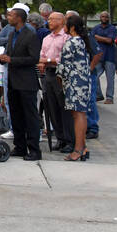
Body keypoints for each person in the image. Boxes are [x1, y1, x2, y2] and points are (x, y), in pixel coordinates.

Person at [0, 2, 43, 161]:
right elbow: (10, 53)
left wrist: (12, 59)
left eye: (10, 15)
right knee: (16, 115)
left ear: (19, 18)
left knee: (30, 117)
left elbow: (34, 58)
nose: (8, 17)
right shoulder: (11, 35)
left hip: (26, 82)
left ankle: (34, 149)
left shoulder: (30, 35)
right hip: (13, 81)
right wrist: (4, 59)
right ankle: (20, 146)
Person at [59, 13, 93, 162]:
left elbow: (64, 65)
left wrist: (60, 80)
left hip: (75, 83)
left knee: (78, 115)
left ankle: (78, 149)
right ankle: (83, 147)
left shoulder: (72, 42)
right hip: (83, 81)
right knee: (80, 114)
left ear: (72, 27)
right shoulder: (83, 41)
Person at [38, 11, 71, 154]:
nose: (49, 22)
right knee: (52, 108)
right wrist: (43, 63)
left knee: (64, 107)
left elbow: (66, 58)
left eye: (52, 19)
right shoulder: (46, 38)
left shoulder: (67, 38)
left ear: (61, 21)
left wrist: (49, 61)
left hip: (61, 75)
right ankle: (60, 138)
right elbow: (42, 55)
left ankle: (70, 139)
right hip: (48, 74)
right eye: (49, 19)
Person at [91, 11, 117, 104]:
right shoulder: (95, 28)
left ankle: (110, 97)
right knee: (95, 76)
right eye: (102, 16)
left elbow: (110, 40)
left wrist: (97, 37)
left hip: (110, 56)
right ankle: (98, 95)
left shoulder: (112, 28)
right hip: (98, 56)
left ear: (108, 18)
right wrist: (103, 39)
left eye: (106, 17)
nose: (104, 18)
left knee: (110, 78)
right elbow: (91, 38)